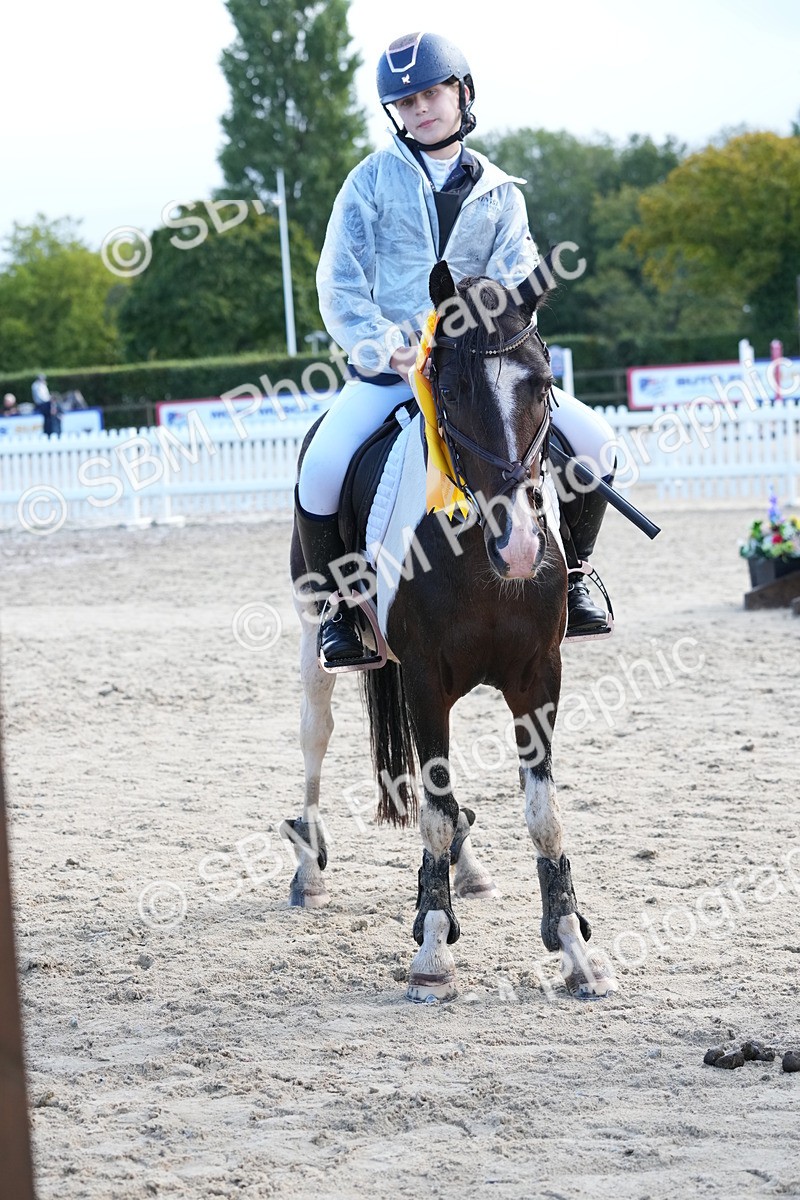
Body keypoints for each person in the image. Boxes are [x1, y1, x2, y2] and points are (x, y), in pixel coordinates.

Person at [295, 31, 615, 665]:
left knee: (599, 445)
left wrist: (499, 330)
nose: (421, 109)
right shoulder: (365, 184)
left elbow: (517, 272)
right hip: (395, 370)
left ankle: (574, 575)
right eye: (406, 101)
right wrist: (389, 347)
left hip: (482, 371)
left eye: (432, 93)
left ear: (462, 94)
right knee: (321, 468)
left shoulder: (502, 192)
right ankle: (338, 613)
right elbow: (338, 282)